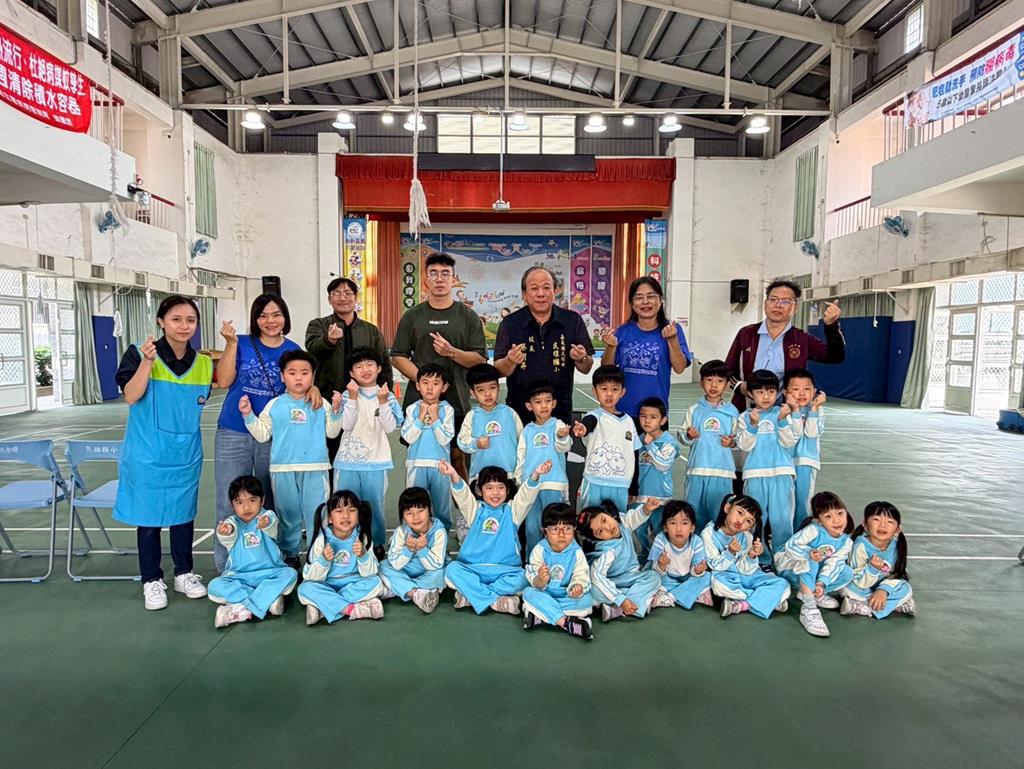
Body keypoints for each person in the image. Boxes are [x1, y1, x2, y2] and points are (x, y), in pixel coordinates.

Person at [113, 295, 211, 611]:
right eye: (176, 319)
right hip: (147, 452)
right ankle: (151, 579)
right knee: (149, 518)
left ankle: (184, 573)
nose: (184, 326)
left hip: (185, 452)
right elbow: (131, 396)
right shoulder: (138, 353)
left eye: (190, 320)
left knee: (184, 514)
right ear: (161, 322)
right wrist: (147, 362)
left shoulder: (203, 363)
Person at [213, 294, 310, 574]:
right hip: (233, 431)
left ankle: (273, 559)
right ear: (255, 319)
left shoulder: (292, 349)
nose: (270, 321)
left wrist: (313, 388)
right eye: (263, 315)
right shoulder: (241, 343)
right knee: (229, 499)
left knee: (273, 500)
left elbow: (301, 380)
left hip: (273, 435)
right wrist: (231, 344)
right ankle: (228, 564)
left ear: (285, 317)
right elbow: (224, 380)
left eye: (276, 314)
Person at [240, 350, 343, 566]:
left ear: (313, 376)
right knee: (288, 515)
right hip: (283, 470)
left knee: (318, 514)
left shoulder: (320, 403)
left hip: (316, 468)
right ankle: (290, 556)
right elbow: (262, 434)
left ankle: (318, 556)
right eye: (292, 373)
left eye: (304, 373)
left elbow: (332, 433)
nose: (298, 378)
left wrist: (336, 411)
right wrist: (248, 415)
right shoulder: (274, 405)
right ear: (282, 376)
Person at [391, 253, 487, 478]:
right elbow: (398, 356)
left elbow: (479, 358)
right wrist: (426, 383)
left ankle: (460, 501)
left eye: (445, 274)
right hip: (419, 402)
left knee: (457, 462)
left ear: (454, 279)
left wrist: (451, 352)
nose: (440, 279)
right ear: (426, 280)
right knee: (420, 461)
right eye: (433, 273)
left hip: (457, 400)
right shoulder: (413, 316)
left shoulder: (468, 316)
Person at [441, 460, 550, 615]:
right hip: (473, 568)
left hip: (505, 571)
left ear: (507, 490)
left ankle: (473, 595)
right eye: (489, 488)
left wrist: (536, 474)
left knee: (524, 577)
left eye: (500, 487)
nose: (495, 493)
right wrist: (453, 474)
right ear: (480, 491)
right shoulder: (475, 510)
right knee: (452, 570)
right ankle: (496, 600)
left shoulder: (513, 511)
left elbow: (526, 497)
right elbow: (463, 496)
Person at [305, 277, 392, 464]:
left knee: (363, 452)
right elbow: (312, 349)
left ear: (356, 298)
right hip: (329, 402)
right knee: (328, 453)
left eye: (347, 293)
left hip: (365, 404)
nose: (342, 297)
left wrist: (385, 397)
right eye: (336, 293)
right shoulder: (318, 325)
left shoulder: (371, 331)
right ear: (329, 299)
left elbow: (384, 365)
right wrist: (329, 340)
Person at [493, 266, 595, 425]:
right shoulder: (510, 324)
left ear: (555, 291)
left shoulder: (572, 321)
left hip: (559, 411)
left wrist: (581, 358)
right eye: (534, 288)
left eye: (546, 287)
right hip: (520, 411)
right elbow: (499, 370)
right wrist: (510, 361)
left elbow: (586, 367)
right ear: (524, 294)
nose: (541, 293)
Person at [725, 280, 844, 413]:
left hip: (785, 415)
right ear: (765, 303)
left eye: (786, 301)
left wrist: (831, 326)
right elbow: (728, 370)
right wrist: (740, 387)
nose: (778, 305)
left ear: (795, 307)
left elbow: (836, 356)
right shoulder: (746, 334)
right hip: (744, 411)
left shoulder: (802, 339)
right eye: (773, 299)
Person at [333, 346, 403, 556]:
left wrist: (383, 402)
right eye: (359, 366)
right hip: (347, 463)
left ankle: (377, 544)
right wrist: (353, 398)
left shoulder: (387, 396)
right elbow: (346, 425)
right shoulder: (348, 395)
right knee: (345, 506)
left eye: (370, 364)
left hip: (377, 462)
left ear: (379, 368)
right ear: (352, 372)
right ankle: (346, 544)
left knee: (374, 507)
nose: (365, 369)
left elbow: (390, 428)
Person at [207, 476, 298, 628]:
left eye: (252, 500)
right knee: (214, 586)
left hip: (271, 573)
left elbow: (272, 525)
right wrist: (225, 532)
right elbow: (228, 535)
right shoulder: (231, 523)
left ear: (262, 501)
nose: (246, 507)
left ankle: (241, 608)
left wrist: (265, 523)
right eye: (239, 502)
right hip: (239, 577)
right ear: (232, 505)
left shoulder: (267, 517)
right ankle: (268, 601)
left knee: (290, 574)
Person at [600, 277, 690, 418]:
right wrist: (611, 347)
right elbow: (606, 369)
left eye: (651, 296)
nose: (645, 302)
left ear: (660, 300)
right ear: (632, 303)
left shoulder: (672, 330)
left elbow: (679, 368)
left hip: (654, 414)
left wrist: (672, 340)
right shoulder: (622, 331)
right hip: (623, 411)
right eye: (639, 297)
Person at [735, 370, 799, 562]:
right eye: (760, 392)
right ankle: (759, 558)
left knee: (782, 519)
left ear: (777, 393)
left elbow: (790, 442)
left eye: (771, 391)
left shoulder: (782, 413)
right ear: (750, 394)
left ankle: (782, 558)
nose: (766, 396)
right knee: (755, 518)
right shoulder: (745, 417)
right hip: (755, 475)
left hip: (782, 474)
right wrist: (753, 425)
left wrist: (782, 421)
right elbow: (744, 445)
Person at [774, 491, 854, 638]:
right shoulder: (813, 530)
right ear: (819, 520)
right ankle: (809, 608)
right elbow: (791, 546)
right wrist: (808, 553)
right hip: (789, 568)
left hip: (810, 575)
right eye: (828, 516)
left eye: (840, 513)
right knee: (811, 559)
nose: (836, 520)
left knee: (846, 572)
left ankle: (811, 592)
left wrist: (821, 583)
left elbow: (834, 563)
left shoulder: (846, 541)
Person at [297, 490, 384, 625]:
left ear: (358, 515)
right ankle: (352, 609)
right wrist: (323, 561)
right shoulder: (322, 540)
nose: (345, 516)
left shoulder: (363, 537)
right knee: (305, 588)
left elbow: (370, 573)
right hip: (327, 584)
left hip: (353, 583)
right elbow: (309, 576)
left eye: (351, 510)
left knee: (376, 582)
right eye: (339, 511)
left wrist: (363, 556)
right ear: (330, 518)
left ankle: (324, 608)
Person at [578, 497, 670, 622]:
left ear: (607, 514)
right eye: (600, 531)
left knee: (654, 577)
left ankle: (618, 608)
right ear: (596, 539)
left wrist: (646, 509)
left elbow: (634, 517)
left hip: (631, 577)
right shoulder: (607, 551)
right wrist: (620, 599)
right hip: (611, 581)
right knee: (594, 591)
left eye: (604, 520)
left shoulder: (622, 523)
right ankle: (631, 603)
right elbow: (597, 576)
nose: (608, 527)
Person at [701, 494, 790, 619]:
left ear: (750, 527)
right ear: (727, 508)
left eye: (748, 521)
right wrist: (730, 553)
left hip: (749, 576)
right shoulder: (709, 533)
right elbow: (715, 565)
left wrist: (751, 556)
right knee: (718, 586)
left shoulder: (747, 537)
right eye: (740, 513)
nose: (741, 521)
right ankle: (769, 599)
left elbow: (746, 570)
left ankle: (742, 605)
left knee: (783, 585)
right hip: (726, 577)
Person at [514, 381, 573, 554]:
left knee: (555, 528)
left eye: (548, 401)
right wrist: (520, 482)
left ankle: (557, 559)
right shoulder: (527, 430)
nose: (544, 405)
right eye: (538, 402)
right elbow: (520, 458)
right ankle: (533, 561)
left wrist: (562, 436)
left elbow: (565, 447)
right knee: (532, 528)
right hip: (531, 486)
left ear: (554, 403)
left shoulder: (558, 425)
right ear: (529, 406)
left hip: (553, 485)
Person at [572, 365, 641, 512]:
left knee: (615, 522)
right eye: (603, 389)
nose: (609, 394)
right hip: (594, 482)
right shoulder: (594, 416)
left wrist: (633, 486)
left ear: (622, 392)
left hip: (621, 485)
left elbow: (634, 454)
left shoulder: (629, 422)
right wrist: (583, 429)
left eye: (615, 389)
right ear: (594, 391)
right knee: (589, 521)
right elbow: (588, 424)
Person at [681, 360, 741, 530]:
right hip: (697, 470)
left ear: (727, 385)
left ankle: (717, 546)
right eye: (709, 380)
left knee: (719, 517)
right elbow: (683, 436)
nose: (714, 385)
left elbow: (739, 441)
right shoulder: (694, 410)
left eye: (720, 381)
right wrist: (689, 435)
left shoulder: (732, 412)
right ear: (701, 382)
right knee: (693, 516)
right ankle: (695, 545)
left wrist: (732, 442)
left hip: (723, 473)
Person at [521, 502, 593, 640]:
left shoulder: (577, 553)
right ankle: (565, 622)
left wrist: (576, 587)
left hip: (566, 596)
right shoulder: (540, 550)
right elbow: (533, 578)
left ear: (574, 529)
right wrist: (540, 579)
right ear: (545, 531)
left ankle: (541, 616)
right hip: (545, 593)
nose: (561, 534)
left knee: (587, 600)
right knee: (529, 593)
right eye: (554, 529)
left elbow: (581, 575)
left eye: (567, 528)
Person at [400, 364, 456, 530]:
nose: (430, 388)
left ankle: (441, 539)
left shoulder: (447, 410)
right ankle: (413, 539)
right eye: (425, 383)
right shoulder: (412, 409)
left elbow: (445, 438)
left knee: (442, 509)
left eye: (436, 383)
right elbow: (408, 437)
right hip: (416, 465)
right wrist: (421, 416)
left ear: (444, 387)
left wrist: (435, 417)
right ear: (418, 385)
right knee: (414, 507)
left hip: (441, 467)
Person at [379, 487, 448, 614]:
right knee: (383, 566)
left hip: (428, 571)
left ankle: (400, 588)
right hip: (406, 569)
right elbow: (395, 563)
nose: (416, 517)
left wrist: (422, 550)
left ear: (429, 510)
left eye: (421, 511)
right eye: (409, 513)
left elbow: (436, 565)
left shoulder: (439, 532)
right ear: (403, 516)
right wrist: (408, 550)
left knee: (444, 571)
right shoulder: (401, 531)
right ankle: (416, 592)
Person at [840, 501, 915, 619]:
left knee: (906, 588)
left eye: (890, 522)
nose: (883, 525)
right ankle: (892, 606)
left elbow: (897, 575)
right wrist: (872, 569)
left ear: (898, 529)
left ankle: (862, 606)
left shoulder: (897, 546)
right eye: (876, 520)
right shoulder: (860, 546)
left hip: (881, 586)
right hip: (861, 586)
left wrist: (883, 590)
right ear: (865, 524)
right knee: (846, 585)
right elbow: (858, 580)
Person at [634, 396, 682, 559]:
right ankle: (642, 561)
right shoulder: (637, 440)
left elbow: (663, 464)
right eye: (643, 416)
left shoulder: (668, 442)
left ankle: (660, 561)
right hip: (639, 497)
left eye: (653, 417)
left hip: (660, 497)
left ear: (663, 420)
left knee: (660, 532)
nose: (647, 421)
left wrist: (650, 445)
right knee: (638, 532)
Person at [457, 363, 523, 483]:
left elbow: (522, 444)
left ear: (498, 387)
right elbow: (462, 441)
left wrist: (518, 474)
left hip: (509, 475)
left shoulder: (510, 413)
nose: (487, 394)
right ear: (472, 393)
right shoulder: (472, 416)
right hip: (480, 476)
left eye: (492, 388)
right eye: (480, 390)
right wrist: (476, 443)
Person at [646, 500, 714, 610]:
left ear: (692, 528)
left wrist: (698, 570)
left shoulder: (697, 542)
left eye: (684, 523)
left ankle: (671, 596)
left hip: (688, 578)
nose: (679, 529)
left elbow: (695, 571)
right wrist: (661, 564)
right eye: (673, 523)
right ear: (665, 527)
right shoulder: (660, 540)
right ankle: (689, 594)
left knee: (707, 576)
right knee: (652, 578)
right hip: (666, 578)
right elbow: (655, 570)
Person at [783, 368, 827, 526]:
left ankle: (800, 534)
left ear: (814, 391)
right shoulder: (783, 411)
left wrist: (814, 408)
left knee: (803, 502)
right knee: (785, 502)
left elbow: (811, 432)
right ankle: (786, 535)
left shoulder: (818, 411)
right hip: (785, 463)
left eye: (807, 389)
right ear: (785, 393)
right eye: (795, 389)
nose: (801, 393)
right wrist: (793, 411)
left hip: (806, 463)